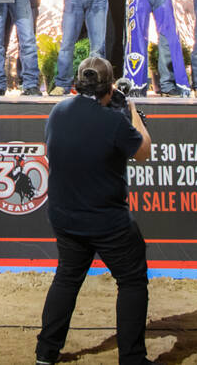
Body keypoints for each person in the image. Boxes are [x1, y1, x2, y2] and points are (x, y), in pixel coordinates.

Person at [36, 56, 152, 365]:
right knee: (132, 280)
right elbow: (143, 151)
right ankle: (132, 358)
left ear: (78, 82)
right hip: (106, 221)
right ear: (109, 88)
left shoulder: (57, 112)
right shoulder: (114, 121)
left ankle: (45, 353)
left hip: (64, 216)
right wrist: (132, 112)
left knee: (67, 278)